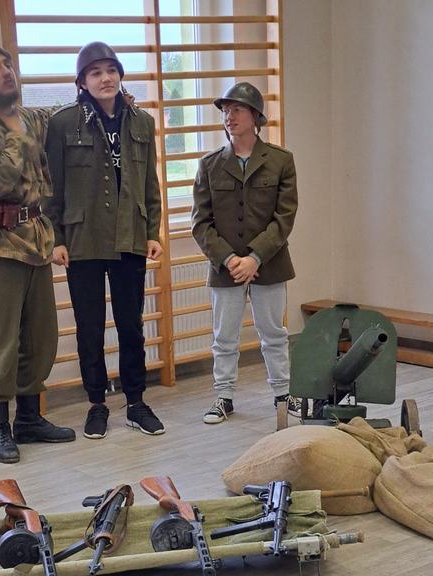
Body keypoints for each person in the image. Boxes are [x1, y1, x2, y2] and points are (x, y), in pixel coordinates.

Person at [0, 43, 75, 463]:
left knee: (40, 338)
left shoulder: (31, 118)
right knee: (1, 342)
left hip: (35, 242)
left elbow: (63, 114)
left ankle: (29, 419)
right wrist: (19, 133)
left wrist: (101, 97)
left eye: (8, 65)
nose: (7, 72)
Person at [44, 42, 165, 440]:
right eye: (95, 72)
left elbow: (150, 184)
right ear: (82, 81)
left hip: (130, 235)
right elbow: (52, 188)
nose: (105, 78)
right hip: (83, 239)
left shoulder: (141, 122)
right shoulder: (63, 124)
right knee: (90, 327)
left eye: (111, 70)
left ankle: (136, 402)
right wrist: (57, 238)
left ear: (120, 75)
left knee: (132, 325)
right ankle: (97, 403)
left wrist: (152, 232)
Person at [191, 82, 300, 424]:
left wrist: (255, 257)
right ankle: (223, 397)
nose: (229, 116)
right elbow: (200, 223)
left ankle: (283, 394)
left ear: (255, 116)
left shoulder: (281, 161)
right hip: (225, 267)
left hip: (270, 263)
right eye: (225, 111)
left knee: (274, 334)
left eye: (237, 109)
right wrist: (229, 259)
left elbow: (284, 218)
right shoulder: (210, 165)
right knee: (224, 337)